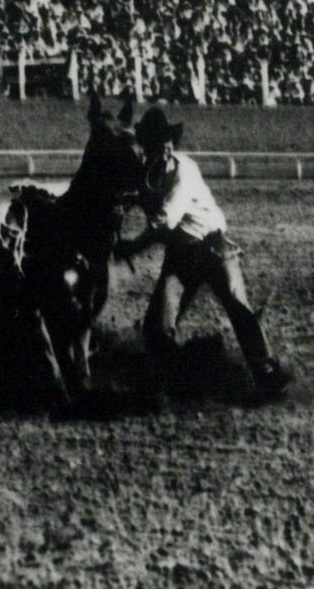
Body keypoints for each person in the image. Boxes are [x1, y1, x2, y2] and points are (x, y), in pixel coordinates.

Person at [117, 105, 290, 398]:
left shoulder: (184, 170)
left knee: (239, 307)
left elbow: (165, 222)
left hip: (213, 248)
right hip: (180, 255)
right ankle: (171, 382)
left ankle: (268, 372)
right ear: (147, 145)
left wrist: (131, 247)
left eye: (168, 140)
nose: (166, 146)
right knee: (157, 325)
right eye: (158, 141)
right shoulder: (145, 174)